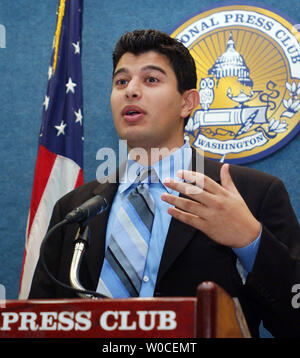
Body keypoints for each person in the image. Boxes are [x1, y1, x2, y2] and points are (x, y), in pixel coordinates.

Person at [29, 29, 300, 337]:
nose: (131, 90)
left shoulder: (251, 194)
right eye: (121, 81)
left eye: (151, 80)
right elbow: (39, 322)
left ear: (188, 103)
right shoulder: (75, 207)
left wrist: (250, 240)